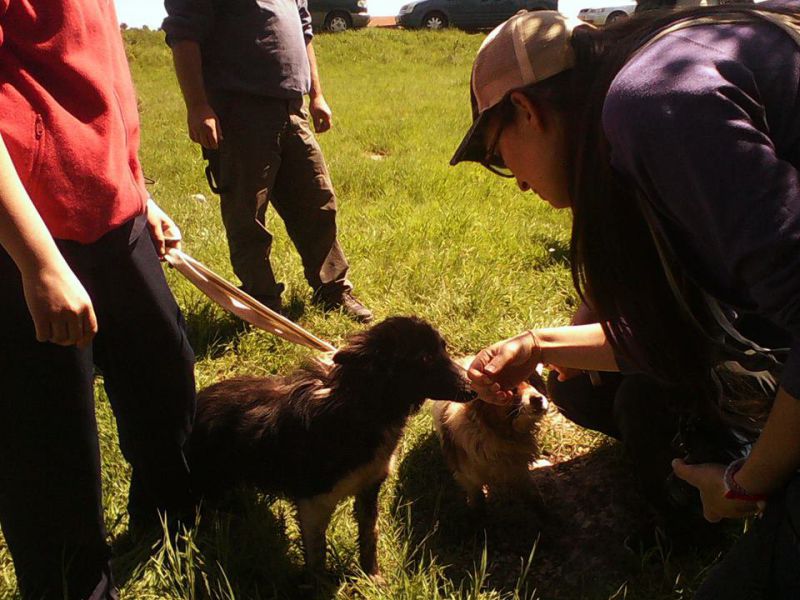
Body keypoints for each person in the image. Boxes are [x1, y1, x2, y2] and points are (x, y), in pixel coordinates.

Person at [451, 2, 800, 597]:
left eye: (497, 157)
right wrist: (536, 346)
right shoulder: (650, 104)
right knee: (580, 384)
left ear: (526, 111)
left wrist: (751, 480)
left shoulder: (657, 105)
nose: (520, 183)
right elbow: (683, 329)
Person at [0, 2, 196, 598]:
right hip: (27, 238)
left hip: (117, 220)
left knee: (167, 376)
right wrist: (37, 263)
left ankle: (167, 528)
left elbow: (103, 83)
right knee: (52, 449)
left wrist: (138, 191)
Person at [162, 0, 373, 323]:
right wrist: (198, 106)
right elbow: (183, 34)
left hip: (292, 108)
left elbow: (304, 32)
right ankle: (262, 302)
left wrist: (316, 95)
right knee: (247, 213)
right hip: (238, 110)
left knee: (317, 201)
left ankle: (333, 290)